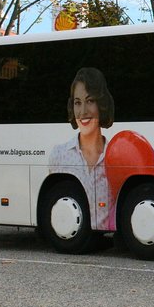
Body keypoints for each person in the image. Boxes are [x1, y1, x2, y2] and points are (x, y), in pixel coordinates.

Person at [48, 67, 115, 230]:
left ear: (101, 104)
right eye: (78, 103)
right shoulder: (59, 155)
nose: (83, 112)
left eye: (90, 101)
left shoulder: (115, 155)